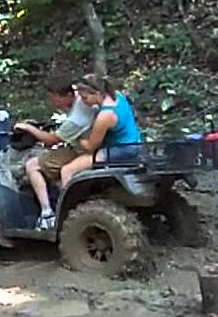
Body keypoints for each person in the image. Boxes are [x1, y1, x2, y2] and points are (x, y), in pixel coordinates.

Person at [14, 76, 97, 229]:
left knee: (32, 165)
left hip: (84, 151)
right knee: (55, 165)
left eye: (56, 99)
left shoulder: (77, 118)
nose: (54, 103)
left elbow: (51, 140)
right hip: (84, 145)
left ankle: (47, 213)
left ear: (68, 95)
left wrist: (28, 128)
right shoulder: (82, 97)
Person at [59, 73, 143, 189]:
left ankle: (69, 205)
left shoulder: (105, 116)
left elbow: (90, 147)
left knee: (67, 170)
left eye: (85, 98)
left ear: (97, 93)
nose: (83, 102)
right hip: (134, 142)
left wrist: (77, 138)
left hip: (120, 150)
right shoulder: (116, 95)